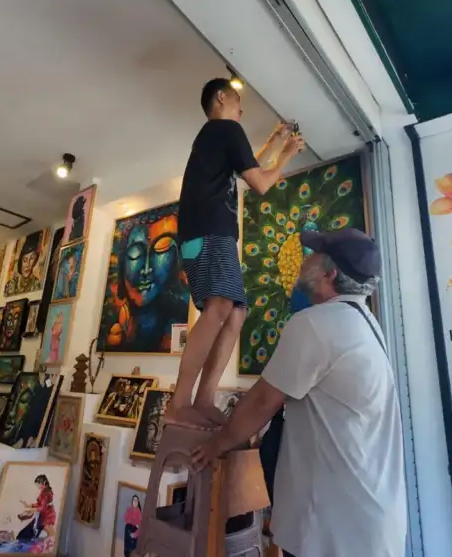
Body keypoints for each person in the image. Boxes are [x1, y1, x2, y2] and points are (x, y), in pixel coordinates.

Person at [192, 228, 407, 557]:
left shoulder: (317, 323)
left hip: (334, 530)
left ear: (329, 273)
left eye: (313, 255)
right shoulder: (365, 323)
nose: (303, 260)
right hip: (366, 521)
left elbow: (264, 401)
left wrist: (214, 445)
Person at [171, 77, 305, 427]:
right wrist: (289, 153)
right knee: (220, 306)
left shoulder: (216, 138)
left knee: (236, 313)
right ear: (220, 97)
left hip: (205, 234)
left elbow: (249, 170)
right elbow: (260, 183)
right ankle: (180, 401)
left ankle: (203, 399)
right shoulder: (225, 129)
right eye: (237, 100)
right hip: (210, 231)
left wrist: (276, 141)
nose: (243, 108)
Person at [17, 474, 56, 541]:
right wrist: (28, 505)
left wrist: (31, 510)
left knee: (50, 533)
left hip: (46, 515)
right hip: (45, 514)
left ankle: (48, 547)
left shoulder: (45, 493)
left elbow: (42, 508)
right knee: (49, 532)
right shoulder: (44, 491)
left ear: (43, 482)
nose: (38, 487)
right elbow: (39, 504)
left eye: (38, 485)